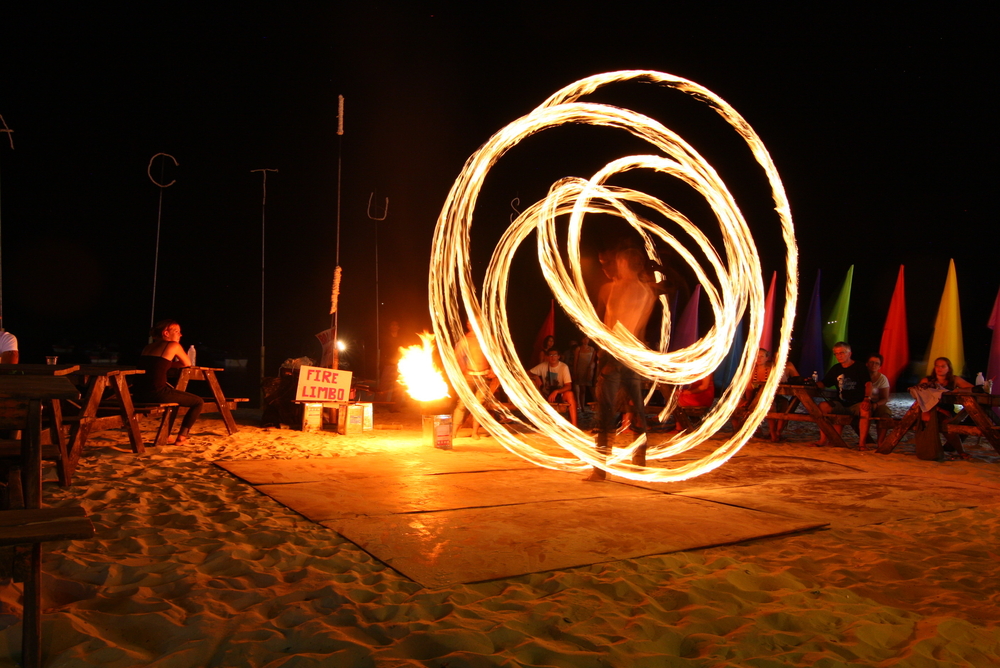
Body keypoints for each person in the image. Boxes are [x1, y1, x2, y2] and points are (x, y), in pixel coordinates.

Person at [587, 247, 656, 480]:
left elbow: (609, 325)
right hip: (632, 357)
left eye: (618, 261)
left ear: (625, 263)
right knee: (637, 410)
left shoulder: (611, 289)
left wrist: (603, 351)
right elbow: (639, 329)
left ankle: (599, 470)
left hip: (615, 356)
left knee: (605, 414)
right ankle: (639, 464)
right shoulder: (647, 292)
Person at [134, 320, 203, 445]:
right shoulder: (173, 345)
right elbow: (187, 363)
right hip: (156, 392)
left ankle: (166, 434)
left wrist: (167, 364)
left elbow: (155, 364)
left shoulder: (148, 347)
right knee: (198, 402)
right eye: (176, 331)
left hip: (138, 393)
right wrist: (171, 364)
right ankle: (182, 437)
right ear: (166, 333)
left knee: (173, 395)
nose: (180, 335)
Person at [912, 357, 973, 458]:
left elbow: (971, 388)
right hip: (930, 409)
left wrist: (957, 391)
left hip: (948, 409)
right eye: (937, 366)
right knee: (945, 422)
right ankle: (960, 451)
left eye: (943, 366)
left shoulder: (954, 379)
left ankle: (951, 447)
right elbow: (921, 397)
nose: (939, 368)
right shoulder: (927, 380)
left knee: (969, 421)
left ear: (948, 368)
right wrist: (939, 409)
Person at [813, 342, 871, 446]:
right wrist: (813, 384)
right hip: (841, 402)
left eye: (842, 353)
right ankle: (823, 440)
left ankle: (862, 444)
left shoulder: (859, 367)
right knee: (822, 407)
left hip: (857, 403)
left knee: (865, 409)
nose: (839, 356)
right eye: (836, 354)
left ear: (849, 354)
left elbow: (868, 384)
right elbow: (825, 382)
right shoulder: (836, 368)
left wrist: (867, 398)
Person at [452, 318, 498, 439]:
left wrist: (493, 369)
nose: (471, 325)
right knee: (462, 404)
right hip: (469, 377)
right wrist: (463, 369)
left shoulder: (488, 339)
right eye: (470, 323)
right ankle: (454, 432)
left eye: (476, 323)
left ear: (481, 324)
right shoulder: (465, 340)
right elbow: (457, 356)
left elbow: (497, 354)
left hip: (484, 376)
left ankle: (475, 432)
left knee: (479, 405)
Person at [530, 348, 578, 427]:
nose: (553, 357)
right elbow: (526, 373)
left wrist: (556, 391)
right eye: (550, 355)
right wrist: (535, 376)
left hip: (559, 394)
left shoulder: (563, 367)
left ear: (558, 356)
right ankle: (536, 421)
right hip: (545, 394)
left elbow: (568, 386)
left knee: (570, 394)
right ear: (547, 357)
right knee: (531, 388)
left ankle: (574, 425)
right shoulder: (543, 366)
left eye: (555, 355)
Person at [861, 354, 893, 446]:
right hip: (862, 401)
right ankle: (863, 441)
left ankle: (880, 442)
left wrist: (876, 405)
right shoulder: (861, 376)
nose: (874, 365)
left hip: (876, 403)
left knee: (884, 414)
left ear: (880, 366)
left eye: (877, 363)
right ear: (867, 364)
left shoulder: (882, 379)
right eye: (871, 362)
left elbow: (885, 398)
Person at [572, 335, 597, 410]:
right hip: (580, 370)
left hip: (588, 370)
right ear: (582, 340)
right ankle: (581, 406)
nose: (586, 340)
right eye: (584, 339)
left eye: (587, 339)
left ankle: (595, 404)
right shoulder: (578, 349)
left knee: (590, 388)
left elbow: (592, 361)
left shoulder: (592, 349)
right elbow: (576, 361)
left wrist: (590, 370)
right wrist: (575, 372)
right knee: (582, 389)